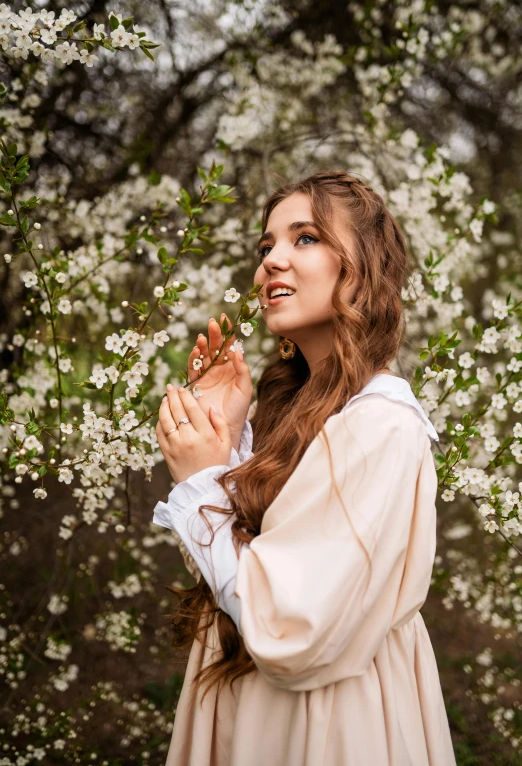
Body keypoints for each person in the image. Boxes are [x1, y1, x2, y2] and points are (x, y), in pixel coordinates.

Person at [152, 170, 457, 765]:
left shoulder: (379, 425)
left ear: (361, 267)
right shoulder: (292, 406)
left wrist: (201, 482)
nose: (272, 262)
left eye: (306, 238)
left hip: (327, 719)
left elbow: (291, 628)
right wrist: (230, 437)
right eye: (266, 246)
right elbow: (237, 576)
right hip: (256, 702)